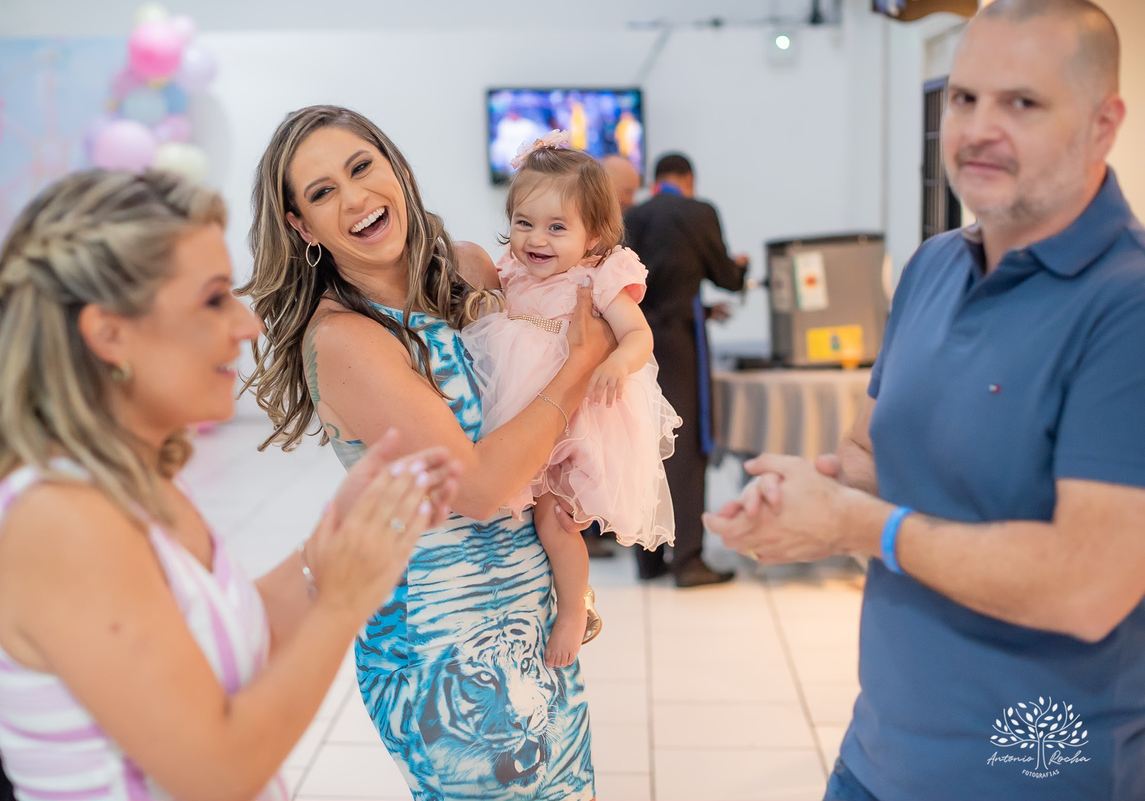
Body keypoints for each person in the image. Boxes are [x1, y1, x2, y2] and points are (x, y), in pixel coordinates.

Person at [705, 2, 1145, 799]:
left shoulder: (1127, 307)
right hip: (877, 756)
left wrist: (853, 523)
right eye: (964, 98)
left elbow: (1089, 584)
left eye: (1022, 102)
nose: (976, 129)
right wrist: (810, 499)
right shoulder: (933, 266)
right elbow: (877, 457)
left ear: (1102, 124)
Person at [0, 169, 460, 801]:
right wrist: (341, 603)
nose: (247, 325)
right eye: (214, 297)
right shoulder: (60, 521)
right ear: (110, 333)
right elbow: (214, 776)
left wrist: (334, 546)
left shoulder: (131, 482)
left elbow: (224, 633)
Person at [242, 106, 614, 800]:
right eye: (322, 192)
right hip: (443, 644)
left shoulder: (471, 267)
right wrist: (586, 362)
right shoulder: (344, 338)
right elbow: (476, 485)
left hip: (529, 611)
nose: (353, 198)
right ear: (301, 226)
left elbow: (536, 383)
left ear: (398, 169)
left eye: (361, 167)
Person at [460, 133, 680, 666]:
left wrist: (613, 364)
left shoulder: (598, 278)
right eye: (524, 223)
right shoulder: (508, 273)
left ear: (594, 235)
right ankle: (518, 600)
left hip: (580, 414)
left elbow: (639, 337)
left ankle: (575, 608)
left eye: (558, 227)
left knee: (554, 518)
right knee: (512, 509)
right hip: (521, 411)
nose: (537, 239)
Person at [624, 152, 748, 587]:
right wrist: (741, 271)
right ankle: (689, 559)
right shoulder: (699, 212)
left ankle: (649, 556)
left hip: (634, 342)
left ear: (657, 180)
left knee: (646, 442)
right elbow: (726, 276)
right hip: (680, 343)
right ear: (688, 180)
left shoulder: (633, 215)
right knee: (687, 445)